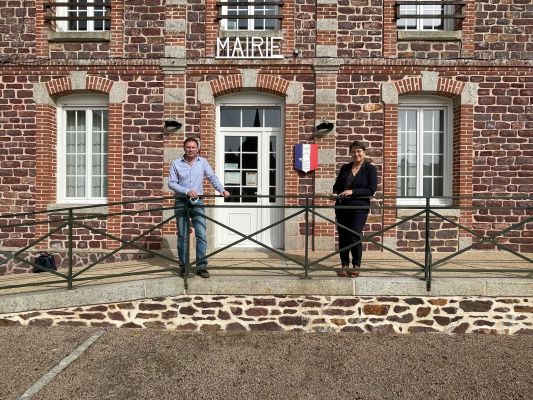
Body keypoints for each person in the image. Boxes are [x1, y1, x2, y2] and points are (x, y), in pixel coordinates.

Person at [168, 137, 230, 278]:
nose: (190, 149)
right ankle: (184, 267)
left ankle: (201, 266)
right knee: (182, 236)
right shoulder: (176, 163)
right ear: (184, 148)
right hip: (181, 201)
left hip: (197, 202)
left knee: (201, 234)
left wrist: (221, 190)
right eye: (188, 147)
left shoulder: (203, 162)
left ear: (197, 149)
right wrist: (186, 190)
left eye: (193, 147)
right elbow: (171, 183)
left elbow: (212, 177)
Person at [332, 140, 377, 277]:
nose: (356, 154)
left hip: (359, 208)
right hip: (342, 207)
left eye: (359, 151)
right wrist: (334, 194)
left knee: (354, 235)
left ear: (364, 153)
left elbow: (371, 190)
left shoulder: (370, 169)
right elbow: (337, 185)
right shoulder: (345, 168)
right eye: (353, 151)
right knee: (343, 236)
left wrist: (353, 191)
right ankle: (344, 265)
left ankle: (356, 265)